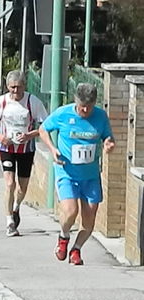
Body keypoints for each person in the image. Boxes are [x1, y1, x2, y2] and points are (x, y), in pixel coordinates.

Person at [39, 83, 115, 266]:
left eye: (89, 106)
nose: (85, 110)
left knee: (89, 220)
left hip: (90, 176)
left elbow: (108, 137)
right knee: (71, 211)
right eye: (82, 106)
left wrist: (108, 144)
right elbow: (43, 129)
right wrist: (52, 149)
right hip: (67, 172)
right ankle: (63, 237)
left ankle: (76, 248)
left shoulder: (100, 116)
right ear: (76, 101)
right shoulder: (63, 114)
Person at [0, 70, 48, 237]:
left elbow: (45, 126)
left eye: (19, 87)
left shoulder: (32, 102)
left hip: (26, 149)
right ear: (7, 86)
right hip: (6, 148)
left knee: (22, 186)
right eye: (12, 87)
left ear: (24, 86)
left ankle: (16, 206)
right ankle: (9, 222)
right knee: (10, 184)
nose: (15, 91)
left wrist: (29, 135)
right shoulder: (1, 102)